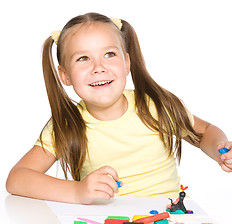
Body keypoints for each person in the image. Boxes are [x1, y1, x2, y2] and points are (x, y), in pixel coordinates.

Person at [6, 12, 232, 204]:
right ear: (64, 75)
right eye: (83, 58)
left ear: (127, 63)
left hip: (168, 217)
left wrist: (221, 149)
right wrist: (76, 191)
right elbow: (17, 178)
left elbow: (204, 133)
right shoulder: (67, 124)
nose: (98, 67)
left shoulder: (155, 106)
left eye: (109, 54)